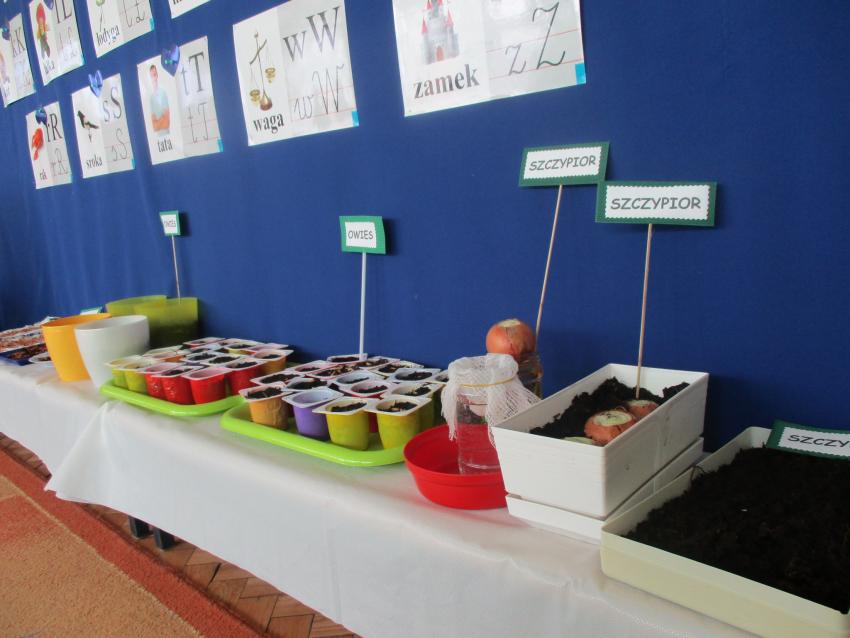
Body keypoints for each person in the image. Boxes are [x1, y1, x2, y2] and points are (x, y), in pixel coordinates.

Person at [148, 65, 170, 134]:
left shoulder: (163, 93)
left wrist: (158, 122)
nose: (153, 78)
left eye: (154, 75)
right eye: (151, 76)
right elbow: (154, 127)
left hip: (167, 135)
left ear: (157, 75)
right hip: (158, 137)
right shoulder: (151, 98)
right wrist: (162, 118)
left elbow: (166, 123)